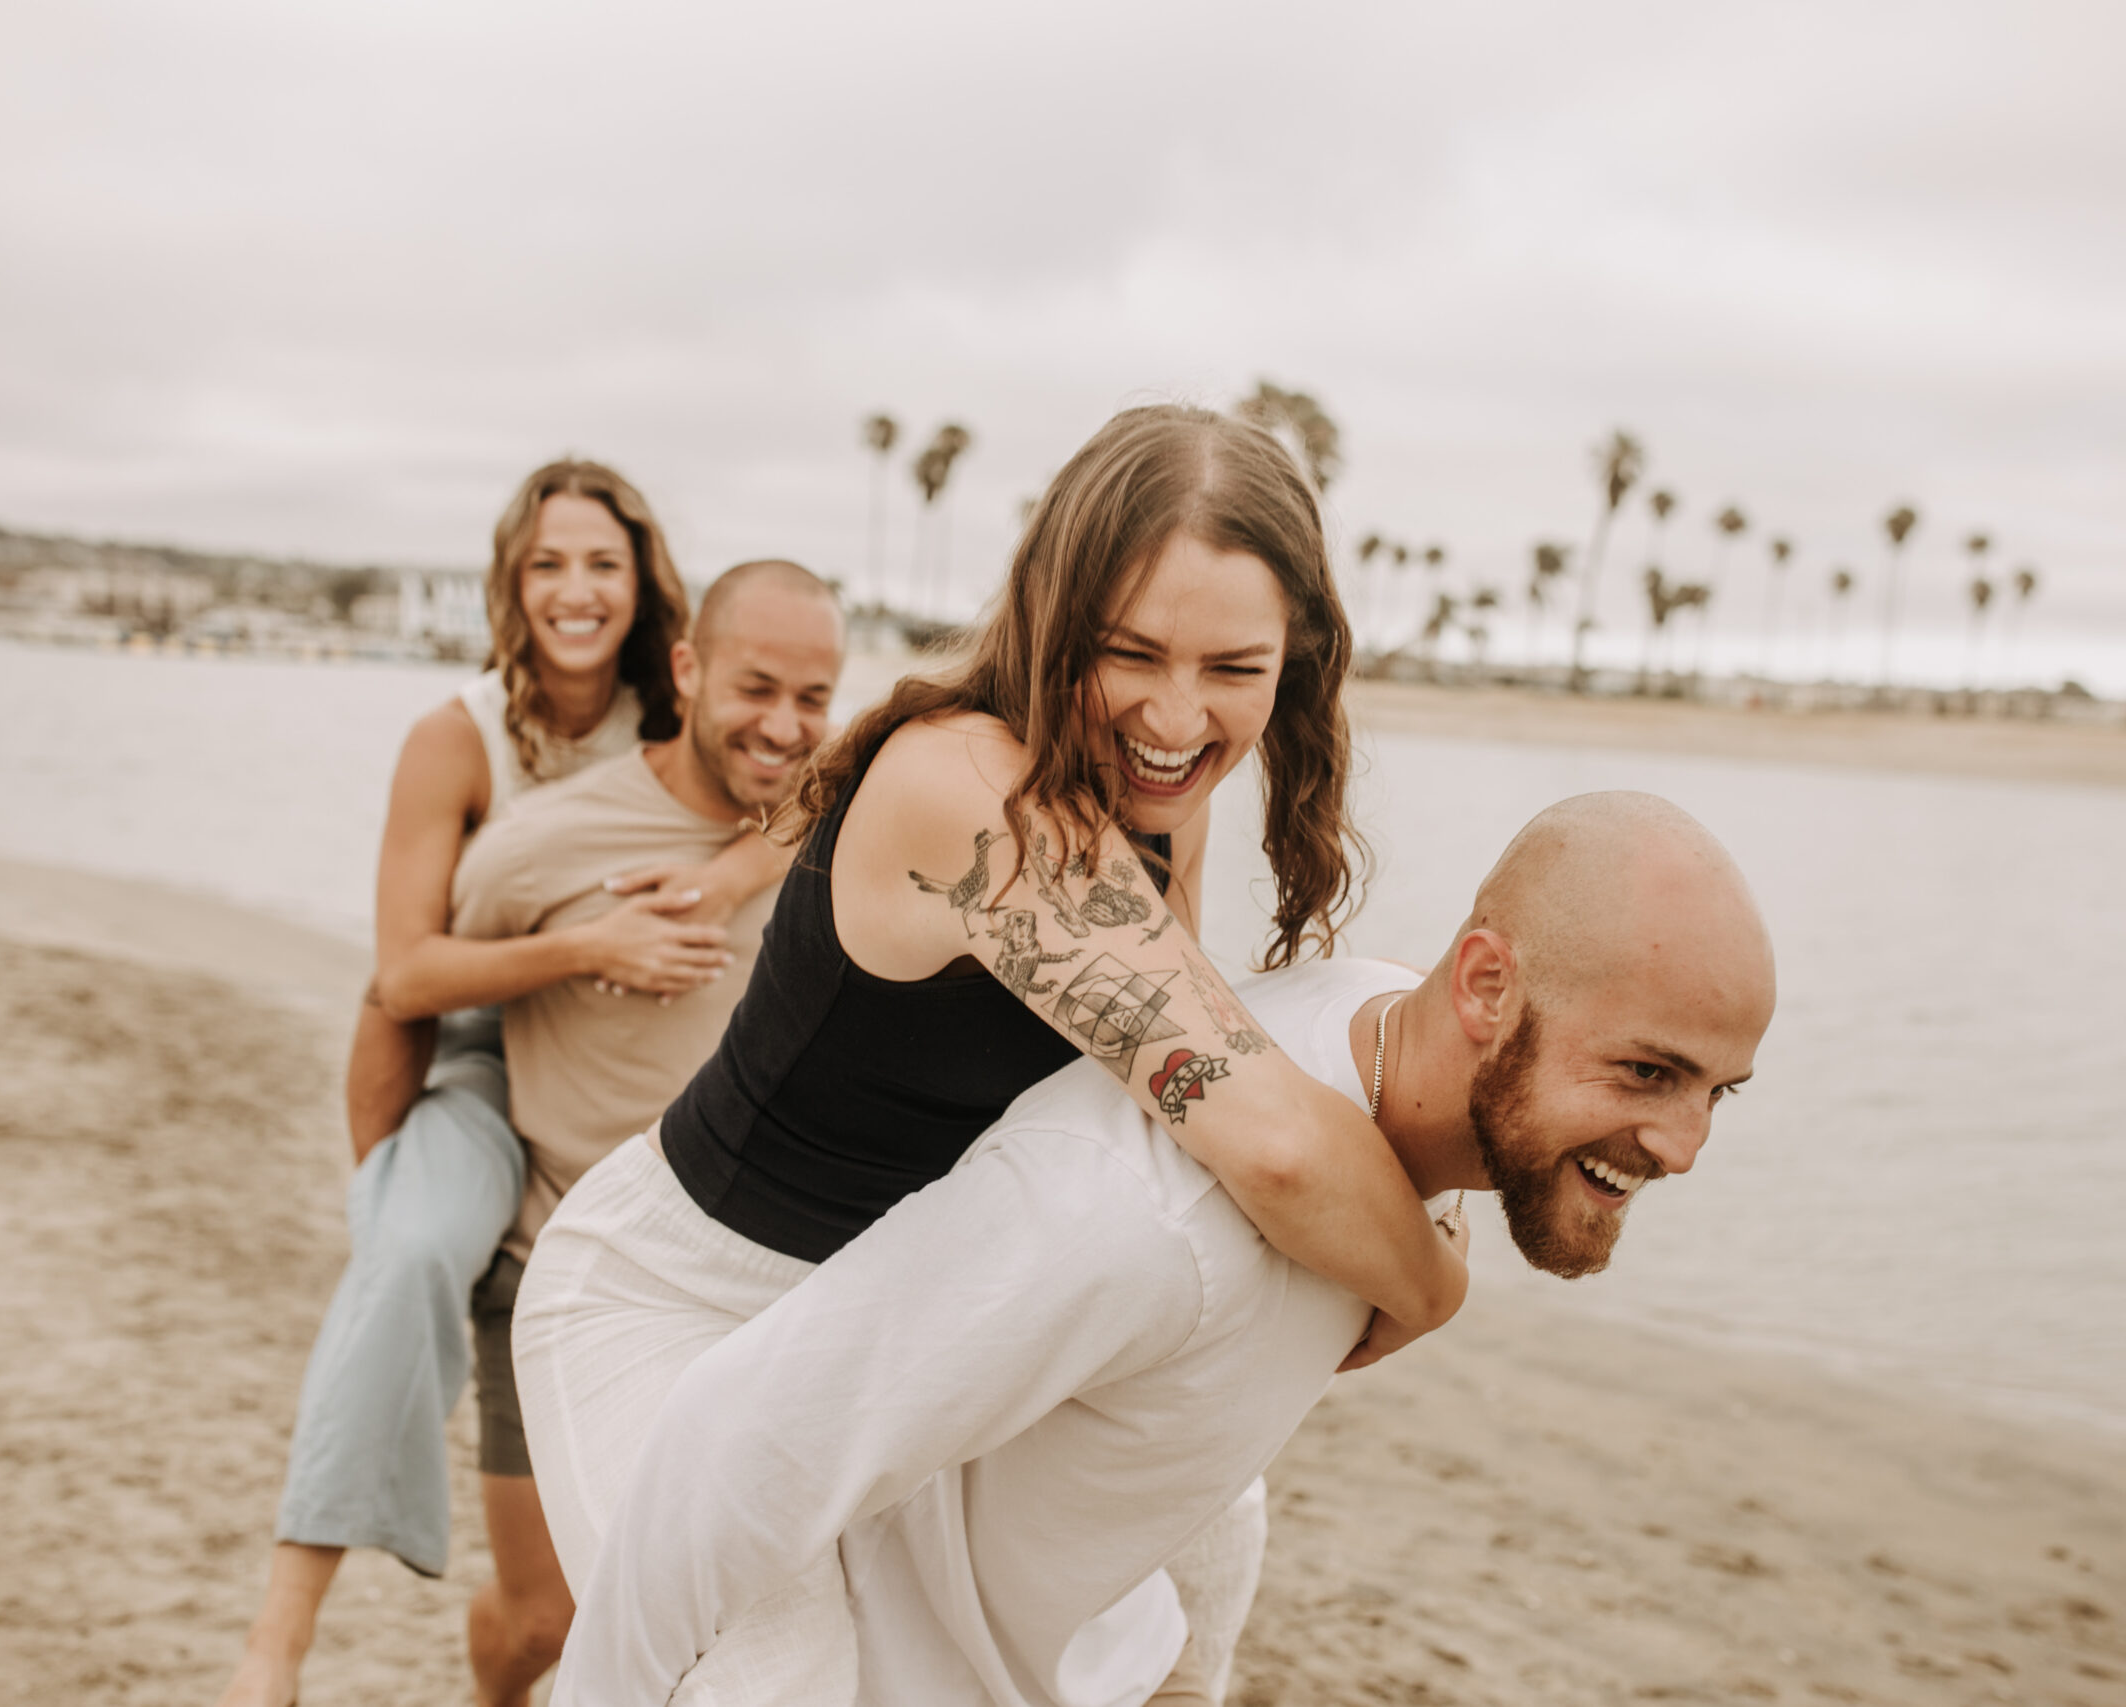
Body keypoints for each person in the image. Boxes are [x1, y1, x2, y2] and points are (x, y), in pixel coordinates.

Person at [514, 405, 1467, 1696]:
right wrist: (1430, 1283)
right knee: (776, 1671)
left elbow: (1178, 1122)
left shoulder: (1158, 811)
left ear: (1295, 661)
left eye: (1233, 668)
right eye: (1130, 652)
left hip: (914, 1321)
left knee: (1205, 1538)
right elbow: (1275, 1143)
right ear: (1051, 615)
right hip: (680, 1301)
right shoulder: (970, 790)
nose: (1177, 718)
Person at [554, 791, 1779, 1705]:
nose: (1680, 1146)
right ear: (1484, 988)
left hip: (1081, 1649)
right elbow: (732, 1444)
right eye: (1645, 1072)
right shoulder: (1134, 1220)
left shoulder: (1378, 1021)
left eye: (1718, 1092)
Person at [216, 463, 784, 1707]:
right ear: (509, 585)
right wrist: (592, 945)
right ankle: (279, 1640)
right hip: (481, 1045)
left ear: (646, 592)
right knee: (414, 1247)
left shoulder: (685, 717)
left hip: (639, 1090)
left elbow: (822, 776)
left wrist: (735, 881)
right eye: (547, 565)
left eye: (601, 564)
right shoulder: (457, 737)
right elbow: (406, 971)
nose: (575, 591)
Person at [442, 559, 846, 1703]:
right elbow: (425, 989)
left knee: (723, 1622)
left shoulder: (841, 828)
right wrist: (403, 1206)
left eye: (812, 700)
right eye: (755, 688)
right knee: (544, 1621)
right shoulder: (541, 842)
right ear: (686, 668)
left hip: (759, 1289)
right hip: (555, 1275)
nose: (783, 727)